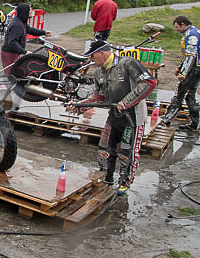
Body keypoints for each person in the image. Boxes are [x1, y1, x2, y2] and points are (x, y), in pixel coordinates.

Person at [67, 40, 157, 195]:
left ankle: (124, 181)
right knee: (104, 149)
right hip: (114, 116)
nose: (91, 60)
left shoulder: (128, 63)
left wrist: (126, 102)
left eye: (92, 57)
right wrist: (80, 105)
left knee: (127, 152)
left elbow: (149, 82)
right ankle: (106, 177)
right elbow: (99, 97)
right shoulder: (99, 72)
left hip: (133, 118)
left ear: (101, 53)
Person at [161, 15, 200, 130]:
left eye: (177, 27)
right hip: (197, 68)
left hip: (193, 70)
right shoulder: (193, 31)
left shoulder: (192, 36)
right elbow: (187, 55)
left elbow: (190, 56)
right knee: (191, 97)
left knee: (179, 94)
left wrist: (183, 73)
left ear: (183, 24)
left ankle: (167, 119)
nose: (176, 30)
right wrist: (180, 67)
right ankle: (195, 124)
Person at [0, 3, 53, 73]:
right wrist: (24, 52)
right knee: (10, 75)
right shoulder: (17, 25)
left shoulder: (21, 21)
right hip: (9, 53)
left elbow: (29, 30)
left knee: (16, 72)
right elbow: (12, 42)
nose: (31, 11)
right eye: (30, 10)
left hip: (14, 52)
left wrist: (44, 32)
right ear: (24, 11)